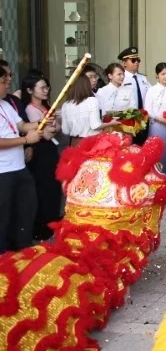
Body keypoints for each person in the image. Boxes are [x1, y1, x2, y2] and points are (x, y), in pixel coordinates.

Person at [0, 66, 49, 252]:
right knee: (3, 217)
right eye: (4, 81)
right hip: (2, 172)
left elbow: (22, 124)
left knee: (25, 211)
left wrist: (42, 122)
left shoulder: (5, 104)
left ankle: (22, 253)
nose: (8, 85)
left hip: (19, 168)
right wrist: (25, 140)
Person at [21, 75, 62, 240]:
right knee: (43, 188)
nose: (46, 91)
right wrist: (51, 129)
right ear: (30, 90)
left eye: (47, 88)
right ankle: (42, 226)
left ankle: (51, 222)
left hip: (51, 149)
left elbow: (57, 126)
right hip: (40, 151)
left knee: (53, 186)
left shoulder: (46, 106)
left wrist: (52, 129)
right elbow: (44, 134)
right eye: (42, 88)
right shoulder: (30, 109)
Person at [61, 75, 118, 145]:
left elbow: (65, 131)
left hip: (75, 142)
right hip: (91, 142)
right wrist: (111, 123)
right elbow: (95, 125)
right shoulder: (92, 101)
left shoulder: (65, 105)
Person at [118, 47, 150, 145]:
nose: (136, 62)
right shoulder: (121, 79)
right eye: (133, 60)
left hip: (143, 119)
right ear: (124, 63)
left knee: (143, 145)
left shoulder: (143, 78)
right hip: (129, 120)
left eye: (138, 60)